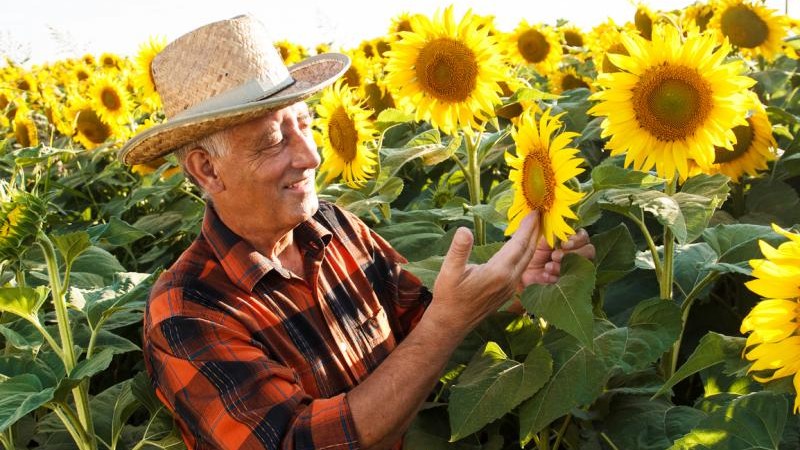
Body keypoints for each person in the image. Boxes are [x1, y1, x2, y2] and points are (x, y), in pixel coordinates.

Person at [119, 15, 595, 450]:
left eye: (304, 125)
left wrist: (514, 284)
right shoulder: (187, 310)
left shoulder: (333, 225)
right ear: (207, 169)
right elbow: (296, 442)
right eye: (273, 141)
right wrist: (448, 320)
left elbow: (419, 324)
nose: (309, 156)